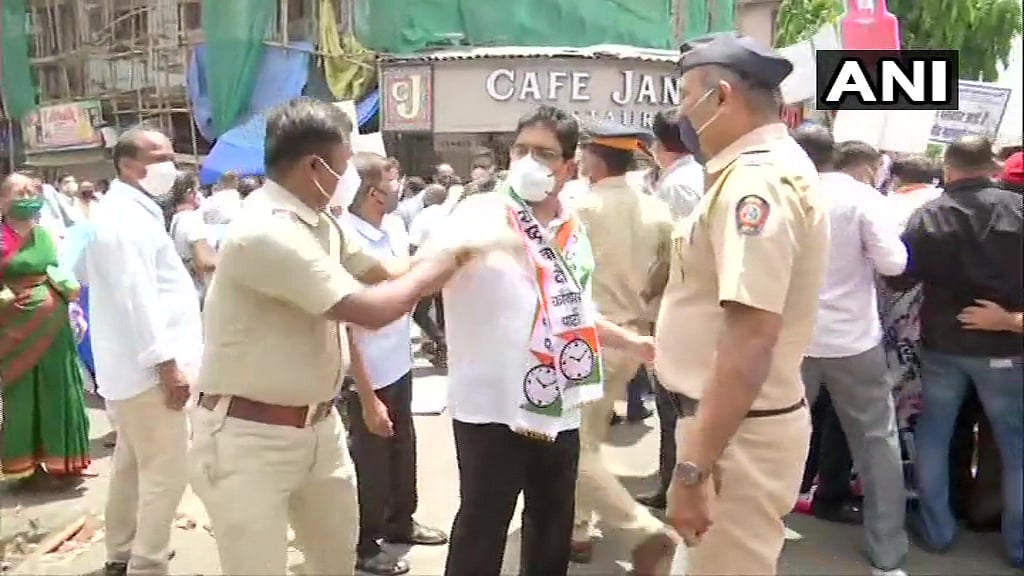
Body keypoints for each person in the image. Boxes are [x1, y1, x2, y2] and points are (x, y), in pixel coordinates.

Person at [188, 98, 472, 576]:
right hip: (249, 437)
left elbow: (388, 270)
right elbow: (371, 308)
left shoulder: (321, 221)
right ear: (314, 166)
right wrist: (447, 264)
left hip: (318, 428)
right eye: (344, 167)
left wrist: (459, 245)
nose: (351, 179)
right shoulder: (265, 233)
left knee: (334, 562)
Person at [419, 105, 657, 576]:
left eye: (544, 153)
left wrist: (634, 343)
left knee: (552, 522)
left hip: (558, 402)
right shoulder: (477, 212)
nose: (529, 161)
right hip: (490, 406)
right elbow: (424, 276)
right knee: (482, 526)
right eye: (521, 149)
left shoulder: (572, 227)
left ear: (569, 167)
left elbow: (573, 312)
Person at [658, 33, 830, 576]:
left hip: (738, 439)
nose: (681, 111)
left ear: (721, 97)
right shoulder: (753, 170)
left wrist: (693, 469)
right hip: (735, 427)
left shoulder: (755, 183)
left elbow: (752, 336)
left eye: (687, 95)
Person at [892, 136, 1023, 569]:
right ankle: (1018, 545)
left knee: (934, 434)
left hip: (944, 345)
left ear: (947, 167)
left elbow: (899, 277)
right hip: (1006, 346)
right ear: (991, 166)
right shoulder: (1019, 209)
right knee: (1014, 446)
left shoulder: (929, 214)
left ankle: (937, 530)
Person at [79, 127, 202, 576]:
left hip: (132, 370)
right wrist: (168, 366)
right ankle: (147, 563)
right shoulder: (123, 220)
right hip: (149, 373)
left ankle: (122, 550)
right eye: (160, 156)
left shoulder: (126, 213)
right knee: (167, 473)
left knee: (133, 467)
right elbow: (139, 299)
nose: (171, 164)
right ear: (129, 166)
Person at [793, 127, 910, 573]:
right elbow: (894, 263)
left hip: (791, 338)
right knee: (876, 442)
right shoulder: (862, 199)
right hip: (852, 339)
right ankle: (887, 553)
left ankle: (757, 535)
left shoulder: (782, 194)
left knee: (772, 436)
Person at [568, 120, 677, 569]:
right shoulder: (658, 211)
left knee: (573, 441)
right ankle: (581, 521)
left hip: (585, 337)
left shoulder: (579, 206)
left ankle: (592, 528)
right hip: (631, 340)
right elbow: (667, 276)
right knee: (589, 434)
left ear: (594, 157)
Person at [341, 152, 447, 576]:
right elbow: (346, 323)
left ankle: (400, 521)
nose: (398, 185)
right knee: (369, 461)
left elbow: (410, 291)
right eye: (392, 178)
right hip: (365, 369)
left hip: (398, 360)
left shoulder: (397, 227)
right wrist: (364, 392)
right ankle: (364, 545)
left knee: (403, 448)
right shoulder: (346, 239)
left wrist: (432, 336)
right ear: (371, 192)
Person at [0, 173, 92, 485]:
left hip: (54, 327)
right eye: (18, 191)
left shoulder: (50, 234)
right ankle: (25, 465)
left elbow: (65, 271)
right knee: (22, 393)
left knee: (60, 388)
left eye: (31, 190)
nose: (26, 195)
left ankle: (63, 462)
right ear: (3, 201)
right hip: (13, 327)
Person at [636, 109, 707, 510]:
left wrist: (647, 296)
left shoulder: (677, 187)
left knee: (673, 406)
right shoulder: (693, 177)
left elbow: (673, 256)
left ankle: (672, 487)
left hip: (676, 309)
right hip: (688, 308)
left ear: (659, 145)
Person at [167, 172, 216, 302]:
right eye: (198, 190)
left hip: (187, 289)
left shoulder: (176, 219)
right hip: (202, 293)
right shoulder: (192, 220)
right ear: (190, 194)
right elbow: (204, 261)